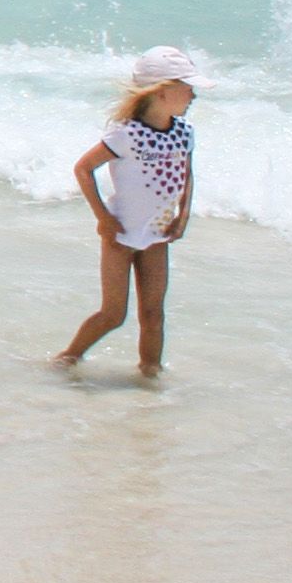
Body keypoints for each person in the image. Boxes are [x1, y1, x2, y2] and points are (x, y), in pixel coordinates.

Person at [56, 48, 199, 376]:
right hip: (119, 236)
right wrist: (103, 218)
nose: (194, 95)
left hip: (157, 235)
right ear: (162, 92)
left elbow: (187, 174)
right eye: (188, 87)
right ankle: (67, 359)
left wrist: (183, 215)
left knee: (153, 315)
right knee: (113, 314)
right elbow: (83, 169)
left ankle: (150, 377)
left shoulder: (184, 133)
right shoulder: (126, 134)